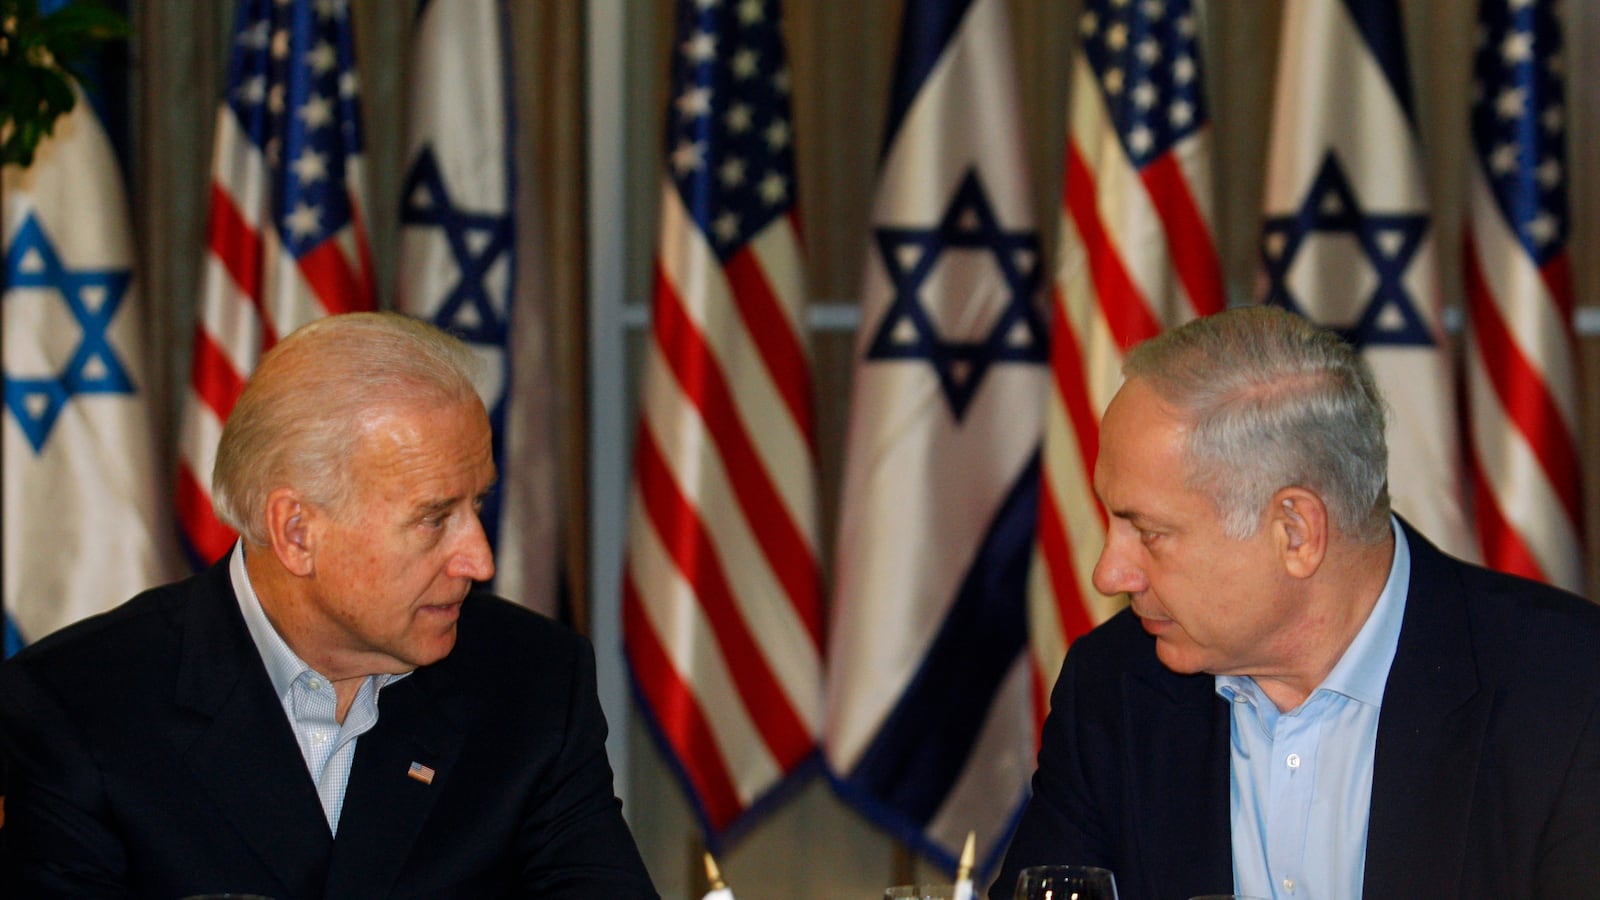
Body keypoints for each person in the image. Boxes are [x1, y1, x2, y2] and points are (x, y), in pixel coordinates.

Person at [0, 312, 658, 899]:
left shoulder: (533, 680)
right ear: (296, 532)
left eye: (476, 505)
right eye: (434, 518)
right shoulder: (75, 708)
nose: (479, 560)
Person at [992, 306, 1600, 899]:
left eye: (1149, 532)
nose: (1108, 574)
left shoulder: (1568, 695)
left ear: (1296, 533)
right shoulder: (1115, 686)